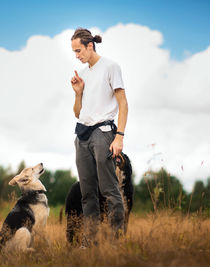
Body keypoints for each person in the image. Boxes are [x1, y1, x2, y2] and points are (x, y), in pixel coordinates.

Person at [70, 28, 128, 246]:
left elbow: (123, 104)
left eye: (78, 50)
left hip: (103, 133)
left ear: (90, 46)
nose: (77, 56)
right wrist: (78, 93)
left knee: (109, 190)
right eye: (74, 52)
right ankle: (90, 242)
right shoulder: (83, 74)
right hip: (82, 134)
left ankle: (115, 242)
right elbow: (78, 112)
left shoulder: (111, 67)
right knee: (87, 194)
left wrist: (119, 137)